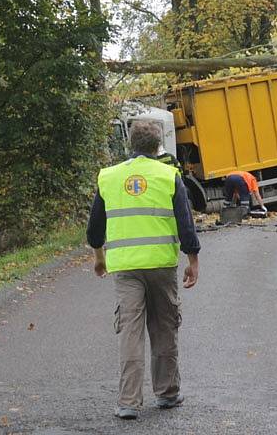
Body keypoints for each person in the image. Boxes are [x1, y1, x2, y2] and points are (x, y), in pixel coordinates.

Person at [86, 120, 201, 421]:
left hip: (125, 268)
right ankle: (167, 393)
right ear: (158, 145)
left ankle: (128, 402)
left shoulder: (108, 177)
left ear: (130, 145)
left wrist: (99, 258)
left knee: (130, 332)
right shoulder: (169, 175)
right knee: (164, 328)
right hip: (161, 265)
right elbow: (185, 223)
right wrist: (193, 261)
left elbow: (95, 228)